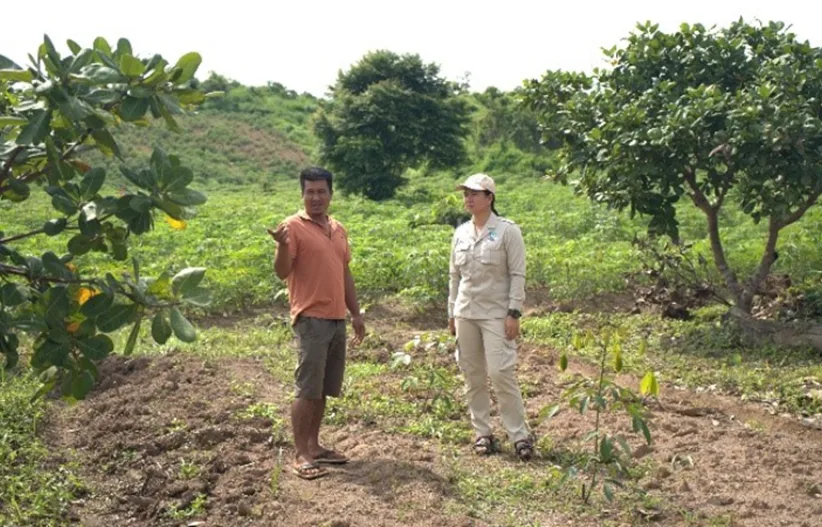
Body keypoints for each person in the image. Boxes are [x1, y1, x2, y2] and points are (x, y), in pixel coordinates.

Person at [268, 167, 366, 480]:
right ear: (302, 195)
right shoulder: (292, 227)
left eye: (321, 191)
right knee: (307, 387)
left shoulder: (338, 228)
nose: (316, 198)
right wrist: (282, 246)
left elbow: (344, 272)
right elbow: (282, 272)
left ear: (331, 194)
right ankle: (301, 453)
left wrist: (356, 313)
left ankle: (314, 445)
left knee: (323, 386)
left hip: (336, 318)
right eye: (310, 192)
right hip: (310, 318)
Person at [447, 173, 534, 461]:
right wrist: (451, 312)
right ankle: (482, 433)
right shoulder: (461, 232)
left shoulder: (508, 231)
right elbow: (454, 276)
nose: (468, 198)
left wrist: (514, 312)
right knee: (472, 374)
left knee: (500, 372)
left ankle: (519, 435)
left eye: (474, 193)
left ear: (490, 197)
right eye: (466, 194)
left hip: (496, 313)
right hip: (466, 313)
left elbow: (518, 274)